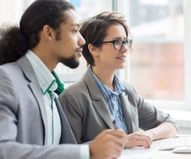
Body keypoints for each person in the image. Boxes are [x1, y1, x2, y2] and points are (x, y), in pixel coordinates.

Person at [0, 1, 127, 159]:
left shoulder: (50, 88)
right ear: (49, 33)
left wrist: (102, 146)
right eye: (74, 31)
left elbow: (53, 150)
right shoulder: (5, 78)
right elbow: (3, 150)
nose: (82, 41)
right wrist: (88, 152)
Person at [59, 12, 178, 149]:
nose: (125, 48)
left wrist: (149, 135)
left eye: (126, 41)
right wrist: (122, 142)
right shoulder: (73, 97)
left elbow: (170, 124)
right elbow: (67, 151)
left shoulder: (127, 90)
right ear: (93, 49)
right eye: (117, 42)